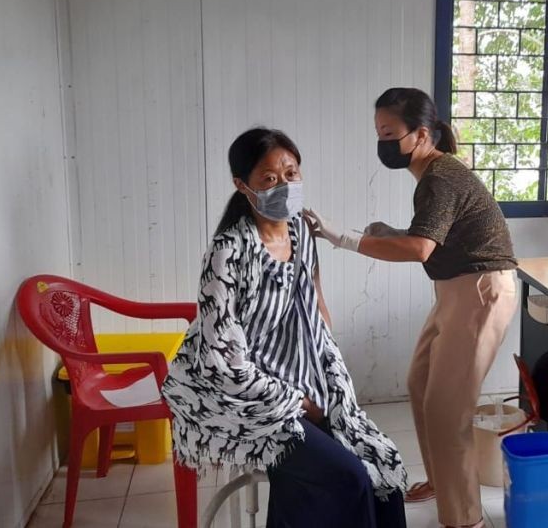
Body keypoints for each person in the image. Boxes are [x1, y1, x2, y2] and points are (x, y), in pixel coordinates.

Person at [161, 128, 407, 528]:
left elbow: (318, 321)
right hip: (235, 395)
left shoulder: (302, 235)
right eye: (269, 179)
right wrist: (297, 400)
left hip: (302, 383)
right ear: (243, 186)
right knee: (347, 478)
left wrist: (329, 393)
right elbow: (223, 361)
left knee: (382, 468)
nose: (284, 185)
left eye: (291, 173)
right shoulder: (227, 251)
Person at [304, 87, 517, 528]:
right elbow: (433, 236)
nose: (383, 142)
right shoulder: (433, 175)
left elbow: (420, 248)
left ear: (421, 134)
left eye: (390, 133)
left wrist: (343, 237)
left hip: (479, 291)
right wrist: (387, 232)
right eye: (379, 133)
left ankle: (465, 519)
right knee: (419, 382)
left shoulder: (440, 176)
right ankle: (443, 480)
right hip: (455, 289)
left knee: (447, 409)